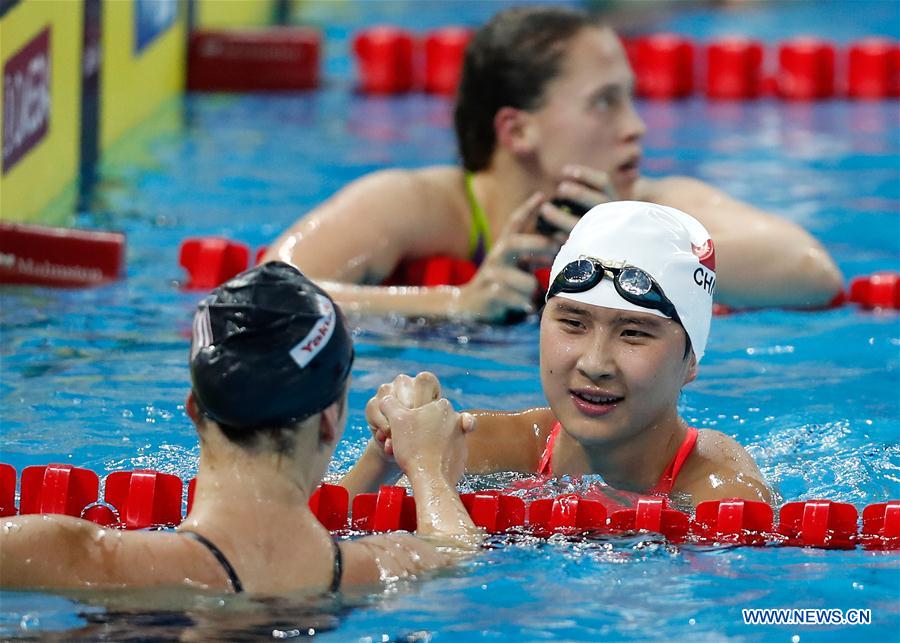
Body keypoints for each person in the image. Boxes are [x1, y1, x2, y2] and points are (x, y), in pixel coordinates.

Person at [263, 5, 843, 323]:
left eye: (632, 97)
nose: (635, 125)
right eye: (604, 101)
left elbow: (813, 275)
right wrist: (452, 302)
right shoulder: (420, 205)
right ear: (518, 129)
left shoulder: (654, 203)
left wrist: (633, 234)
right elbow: (262, 297)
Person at [0, 262, 480, 595]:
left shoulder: (75, 558)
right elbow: (455, 551)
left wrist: (377, 465)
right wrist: (427, 469)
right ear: (330, 421)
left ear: (194, 408)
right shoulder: (376, 570)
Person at [342, 202, 773, 509]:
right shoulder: (498, 446)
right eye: (573, 324)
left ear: (692, 360)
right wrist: (385, 456)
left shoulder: (721, 493)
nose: (594, 363)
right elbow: (306, 539)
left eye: (634, 333)